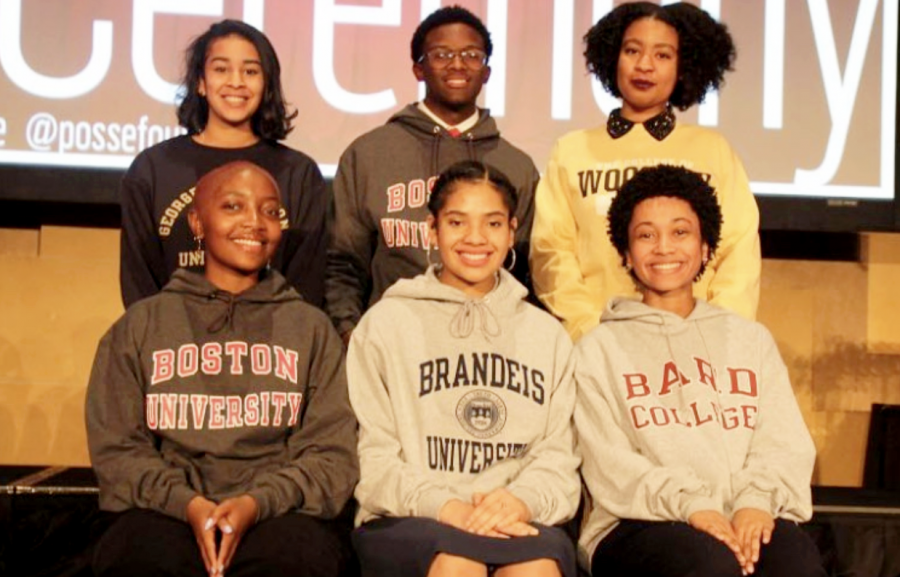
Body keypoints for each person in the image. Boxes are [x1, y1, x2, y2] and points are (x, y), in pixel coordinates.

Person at [88, 161, 358, 577]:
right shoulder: (140, 326)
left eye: (270, 211)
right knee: (137, 557)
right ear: (197, 222)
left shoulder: (311, 329)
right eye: (233, 206)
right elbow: (118, 452)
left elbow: (332, 456)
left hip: (275, 513)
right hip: (167, 512)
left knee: (303, 559)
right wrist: (188, 504)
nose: (254, 222)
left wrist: (256, 503)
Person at [574, 165, 824, 577]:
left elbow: (783, 443)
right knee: (710, 566)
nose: (663, 248)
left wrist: (754, 503)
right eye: (646, 235)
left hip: (744, 512)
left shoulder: (751, 340)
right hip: (639, 523)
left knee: (793, 561)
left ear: (706, 246)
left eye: (680, 232)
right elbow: (611, 466)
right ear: (625, 252)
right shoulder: (597, 350)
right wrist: (694, 506)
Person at [347, 160, 580, 577]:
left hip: (516, 514)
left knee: (536, 568)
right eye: (457, 222)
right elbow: (375, 460)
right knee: (458, 565)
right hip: (410, 516)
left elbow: (559, 459)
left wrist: (521, 500)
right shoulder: (385, 325)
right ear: (432, 230)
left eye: (492, 224)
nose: (475, 238)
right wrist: (447, 507)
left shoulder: (548, 336)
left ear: (512, 231)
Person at [530, 1, 760, 341]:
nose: (645, 65)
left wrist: (714, 333)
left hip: (696, 345)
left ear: (683, 66)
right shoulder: (572, 151)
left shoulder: (712, 151)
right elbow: (551, 252)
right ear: (613, 57)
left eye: (663, 55)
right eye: (632, 50)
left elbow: (738, 251)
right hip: (599, 343)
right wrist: (590, 332)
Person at [326, 5, 539, 345]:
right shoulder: (368, 154)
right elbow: (343, 266)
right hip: (392, 345)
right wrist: (352, 338)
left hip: (491, 347)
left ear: (486, 72)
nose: (457, 64)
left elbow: (526, 273)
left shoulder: (516, 166)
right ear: (418, 69)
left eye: (471, 54)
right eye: (441, 54)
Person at [119, 19, 328, 310]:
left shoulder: (298, 174)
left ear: (266, 83)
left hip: (272, 344)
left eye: (251, 71)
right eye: (220, 69)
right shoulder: (153, 170)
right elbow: (139, 280)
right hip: (174, 344)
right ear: (201, 83)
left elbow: (307, 283)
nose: (236, 82)